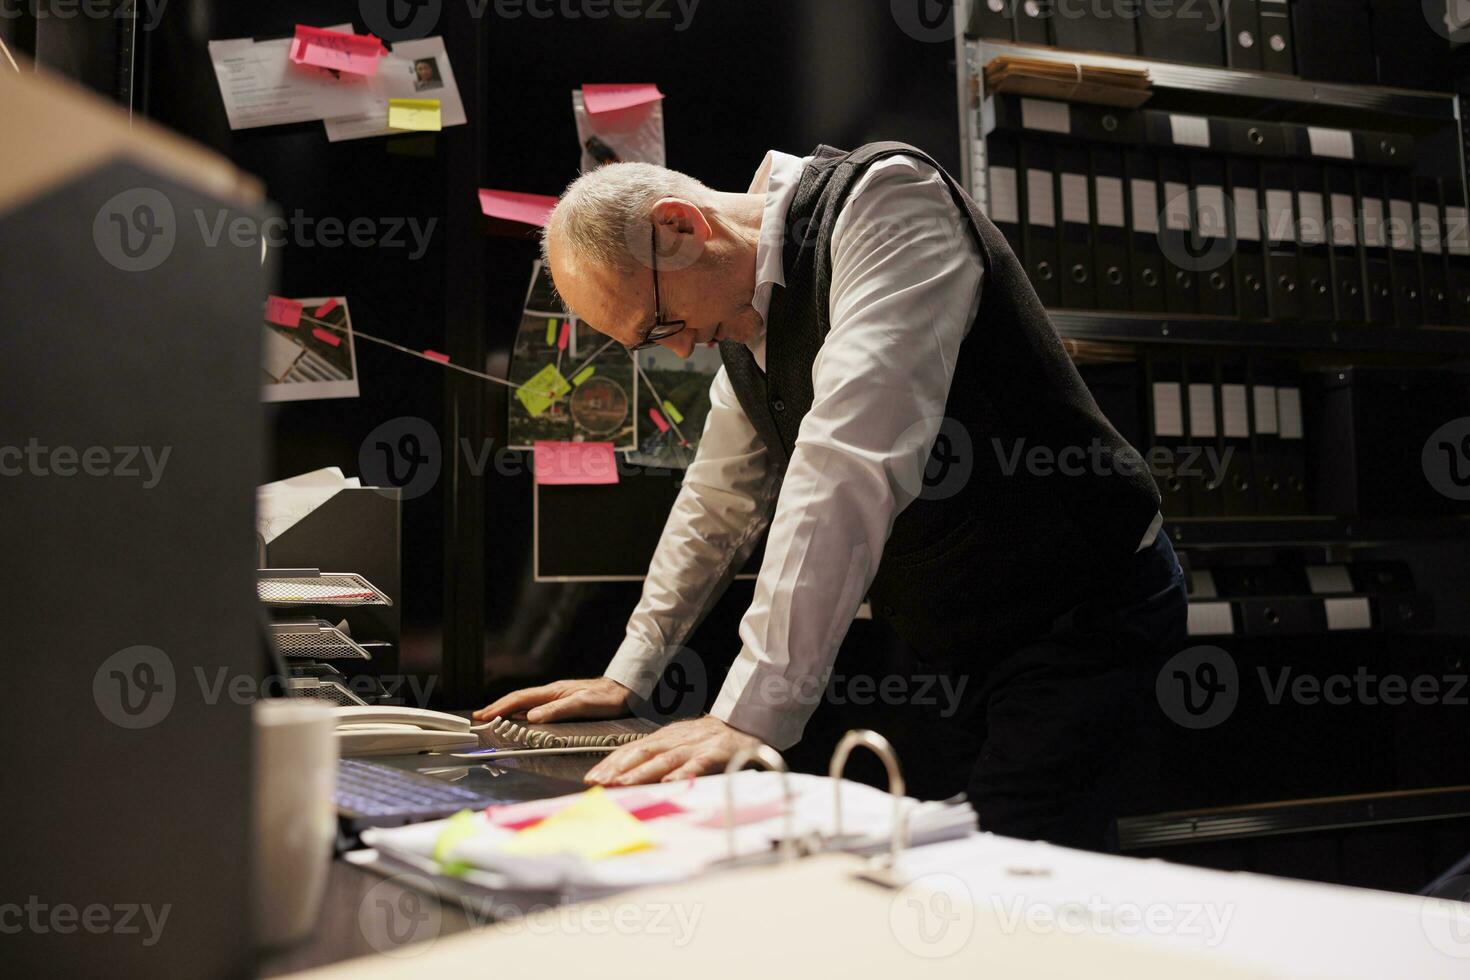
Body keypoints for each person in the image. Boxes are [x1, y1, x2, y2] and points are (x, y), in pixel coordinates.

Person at [476, 143, 1188, 850]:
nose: (682, 350)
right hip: (961, 629)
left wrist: (748, 718)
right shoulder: (740, 310)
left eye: (660, 325)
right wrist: (627, 671)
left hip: (1081, 608)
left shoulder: (890, 206)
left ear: (679, 228)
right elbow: (719, 496)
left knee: (1011, 873)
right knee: (946, 859)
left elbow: (846, 462)